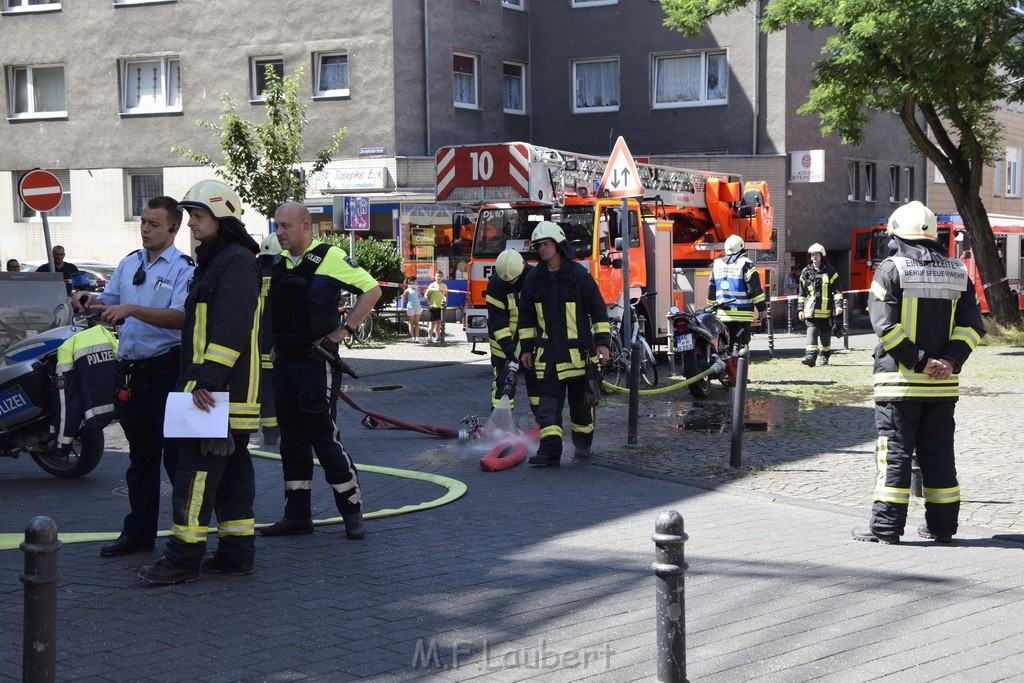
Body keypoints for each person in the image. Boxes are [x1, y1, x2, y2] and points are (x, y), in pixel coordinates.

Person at [138, 179, 262, 584]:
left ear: (222, 216)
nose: (191, 223)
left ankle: (182, 559)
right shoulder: (220, 260)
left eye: (198, 216)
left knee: (195, 475)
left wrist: (205, 381)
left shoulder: (235, 261)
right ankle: (235, 553)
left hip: (216, 394)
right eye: (191, 216)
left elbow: (229, 330)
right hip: (221, 393)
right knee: (232, 476)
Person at [852, 201, 985, 545]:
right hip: (942, 386)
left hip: (899, 384)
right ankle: (942, 527)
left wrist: (920, 361)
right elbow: (972, 327)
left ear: (896, 234)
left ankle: (885, 527)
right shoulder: (959, 272)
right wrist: (949, 362)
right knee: (939, 453)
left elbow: (886, 327)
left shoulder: (890, 269)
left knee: (894, 452)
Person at [73, 196, 194, 558]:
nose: (145, 228)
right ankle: (139, 534)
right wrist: (87, 300)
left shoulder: (184, 269)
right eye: (143, 222)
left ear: (173, 229)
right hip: (132, 376)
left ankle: (188, 537)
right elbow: (109, 302)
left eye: (154, 224)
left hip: (167, 372)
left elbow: (181, 317)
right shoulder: (129, 263)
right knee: (140, 459)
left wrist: (132, 310)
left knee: (175, 459)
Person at [260, 201, 381, 541]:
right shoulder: (279, 263)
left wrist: (343, 331)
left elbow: (372, 290)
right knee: (292, 442)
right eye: (277, 226)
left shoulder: (328, 257)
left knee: (323, 439)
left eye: (285, 226)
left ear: (305, 227)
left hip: (315, 364)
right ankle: (297, 516)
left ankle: (352, 512)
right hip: (284, 363)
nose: (279, 232)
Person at [518, 222, 610, 466]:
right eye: (538, 246)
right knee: (548, 409)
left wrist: (602, 343)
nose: (542, 249)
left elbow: (598, 311)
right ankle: (550, 452)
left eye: (546, 244)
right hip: (548, 357)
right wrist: (526, 348)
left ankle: (582, 446)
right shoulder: (534, 279)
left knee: (580, 409)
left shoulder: (578, 276)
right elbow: (526, 318)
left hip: (578, 357)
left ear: (558, 245)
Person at [486, 249, 538, 415]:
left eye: (514, 282)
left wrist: (527, 346)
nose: (510, 285)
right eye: (507, 283)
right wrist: (509, 352)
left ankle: (543, 423)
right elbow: (498, 323)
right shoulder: (495, 285)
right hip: (502, 344)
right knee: (504, 382)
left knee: (537, 383)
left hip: (531, 340)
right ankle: (500, 426)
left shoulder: (533, 277)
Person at [707, 235, 766, 352]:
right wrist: (762, 308)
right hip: (742, 314)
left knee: (724, 345)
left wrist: (712, 307)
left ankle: (728, 367)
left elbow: (711, 288)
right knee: (741, 346)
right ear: (741, 247)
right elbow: (754, 289)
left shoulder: (717, 264)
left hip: (722, 314)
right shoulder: (746, 264)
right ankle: (739, 368)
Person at [798, 243, 843, 366]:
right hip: (811, 310)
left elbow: (837, 290)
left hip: (826, 310)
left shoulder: (830, 270)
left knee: (825, 335)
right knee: (811, 331)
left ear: (821, 255)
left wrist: (838, 305)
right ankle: (810, 357)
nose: (814, 256)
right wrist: (800, 309)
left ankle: (824, 356)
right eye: (812, 254)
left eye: (816, 254)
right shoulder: (805, 272)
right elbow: (802, 293)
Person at [258, 234, 282, 445]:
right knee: (283, 388)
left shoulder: (252, 275)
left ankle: (269, 431)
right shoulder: (282, 275)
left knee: (265, 389)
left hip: (257, 346)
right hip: (280, 345)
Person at [424, 271, 447, 342]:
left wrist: (445, 303)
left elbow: (445, 295)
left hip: (441, 307)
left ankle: (438, 336)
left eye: (440, 276)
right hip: (433, 307)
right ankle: (429, 337)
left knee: (439, 323)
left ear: (442, 277)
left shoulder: (444, 286)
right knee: (432, 323)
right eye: (437, 276)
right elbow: (426, 294)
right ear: (435, 277)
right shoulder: (432, 285)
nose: (439, 277)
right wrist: (429, 303)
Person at [401, 276, 423, 342]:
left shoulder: (417, 289)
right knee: (411, 323)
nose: (417, 282)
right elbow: (404, 299)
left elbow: (419, 295)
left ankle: (417, 337)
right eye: (416, 281)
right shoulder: (407, 290)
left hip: (418, 307)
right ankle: (412, 337)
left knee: (417, 323)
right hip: (411, 308)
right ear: (412, 282)